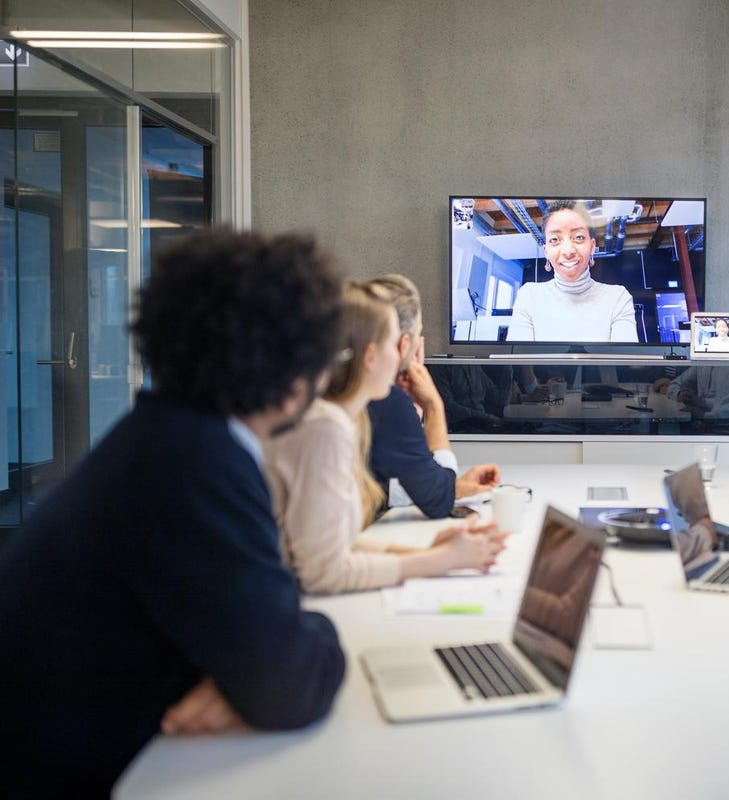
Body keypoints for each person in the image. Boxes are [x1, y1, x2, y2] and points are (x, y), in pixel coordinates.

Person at [0, 230, 348, 795]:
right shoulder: (197, 466)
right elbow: (291, 683)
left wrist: (244, 677)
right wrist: (297, 650)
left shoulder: (162, 437)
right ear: (292, 384)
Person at [266, 282, 507, 595]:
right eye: (397, 343)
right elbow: (322, 574)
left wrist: (431, 554)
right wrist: (441, 560)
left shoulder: (334, 419)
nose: (405, 356)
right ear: (370, 355)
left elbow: (335, 542)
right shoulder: (325, 428)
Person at [365, 274, 500, 517]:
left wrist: (451, 487)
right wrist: (433, 406)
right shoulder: (387, 400)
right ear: (404, 345)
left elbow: (370, 485)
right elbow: (437, 500)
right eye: (419, 334)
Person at [506, 200, 637, 342]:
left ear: (592, 246)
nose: (568, 251)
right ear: (546, 251)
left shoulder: (618, 298)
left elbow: (624, 362)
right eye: (555, 239)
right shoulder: (529, 296)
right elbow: (519, 361)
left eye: (579, 237)